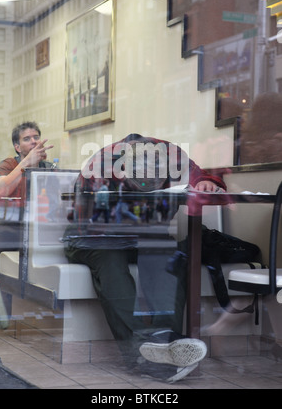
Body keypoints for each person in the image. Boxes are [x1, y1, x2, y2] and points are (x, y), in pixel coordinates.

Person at [64, 133, 226, 382]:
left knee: (168, 257)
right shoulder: (101, 165)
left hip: (145, 235)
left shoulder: (173, 157)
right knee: (112, 265)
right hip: (94, 236)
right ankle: (140, 354)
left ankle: (165, 342)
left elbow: (205, 176)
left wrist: (206, 182)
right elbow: (84, 215)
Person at [0, 121, 53, 269]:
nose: (34, 141)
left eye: (36, 137)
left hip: (38, 226)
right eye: (27, 139)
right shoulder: (9, 164)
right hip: (9, 226)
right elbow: (0, 189)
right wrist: (26, 163)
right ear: (17, 147)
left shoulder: (49, 168)